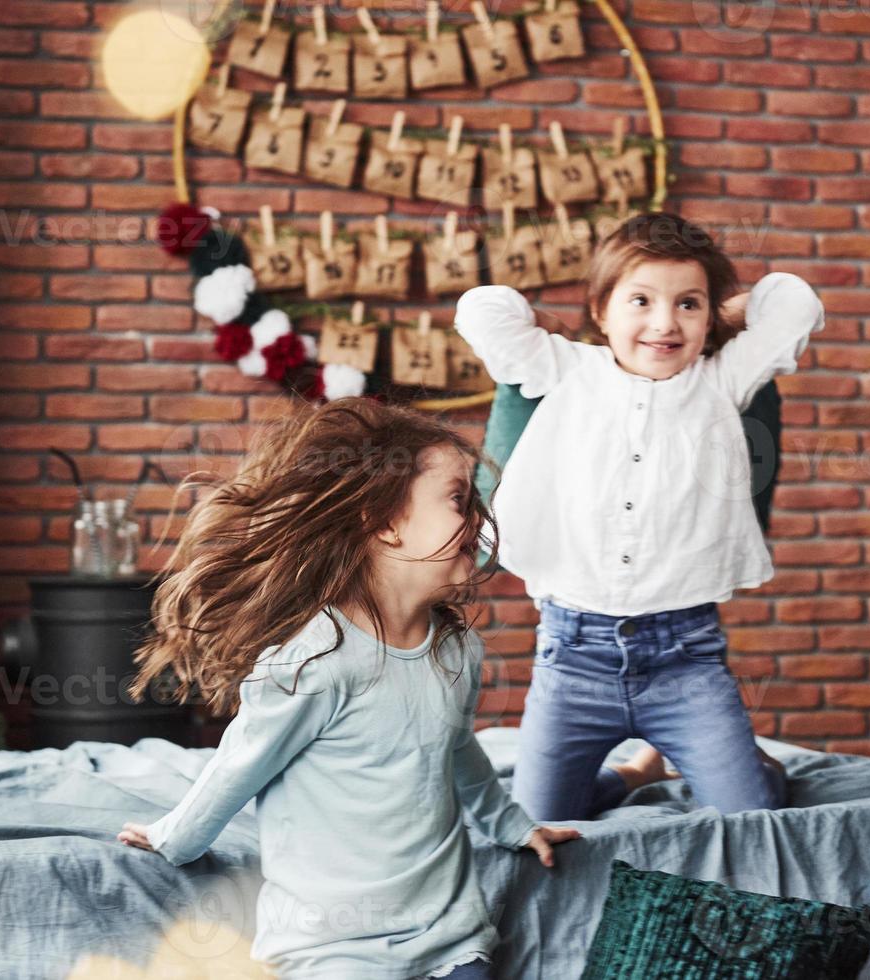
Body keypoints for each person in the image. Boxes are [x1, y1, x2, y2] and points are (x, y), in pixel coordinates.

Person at [117, 397, 581, 980]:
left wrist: (513, 825)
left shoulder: (457, 651)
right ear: (385, 524)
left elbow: (457, 750)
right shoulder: (316, 657)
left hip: (451, 939)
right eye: (459, 500)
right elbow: (240, 763)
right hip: (335, 949)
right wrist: (175, 839)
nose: (479, 519)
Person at [453, 211, 825, 822]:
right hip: (572, 660)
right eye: (641, 301)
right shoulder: (567, 369)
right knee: (542, 823)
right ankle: (632, 772)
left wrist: (724, 316)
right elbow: (482, 310)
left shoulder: (722, 380)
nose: (663, 323)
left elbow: (795, 303)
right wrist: (555, 328)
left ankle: (745, 766)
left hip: (687, 661)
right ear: (602, 310)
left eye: (687, 305)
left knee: (751, 817)